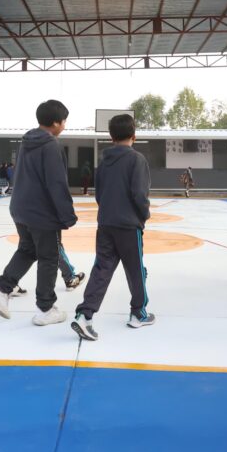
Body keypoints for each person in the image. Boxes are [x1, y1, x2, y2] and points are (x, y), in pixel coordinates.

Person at [0, 99, 78, 326]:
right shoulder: (51, 145)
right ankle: (46, 308)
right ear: (55, 122)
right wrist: (67, 215)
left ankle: (2, 290)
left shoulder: (26, 142)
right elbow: (56, 183)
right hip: (42, 213)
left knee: (28, 250)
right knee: (49, 257)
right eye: (64, 121)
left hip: (20, 208)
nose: (64, 125)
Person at [71, 114, 153, 340]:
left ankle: (84, 315)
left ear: (110, 136)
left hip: (106, 224)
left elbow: (99, 194)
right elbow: (139, 194)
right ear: (134, 135)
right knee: (136, 270)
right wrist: (144, 214)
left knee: (101, 269)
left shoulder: (104, 162)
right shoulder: (137, 160)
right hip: (129, 226)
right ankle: (138, 313)